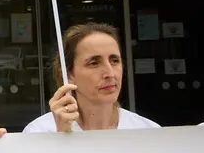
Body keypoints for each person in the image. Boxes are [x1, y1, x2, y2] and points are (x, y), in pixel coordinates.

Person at [23, 22, 160, 133]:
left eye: (114, 60)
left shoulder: (147, 131)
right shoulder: (39, 132)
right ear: (69, 74)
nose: (110, 73)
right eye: (94, 63)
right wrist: (62, 139)